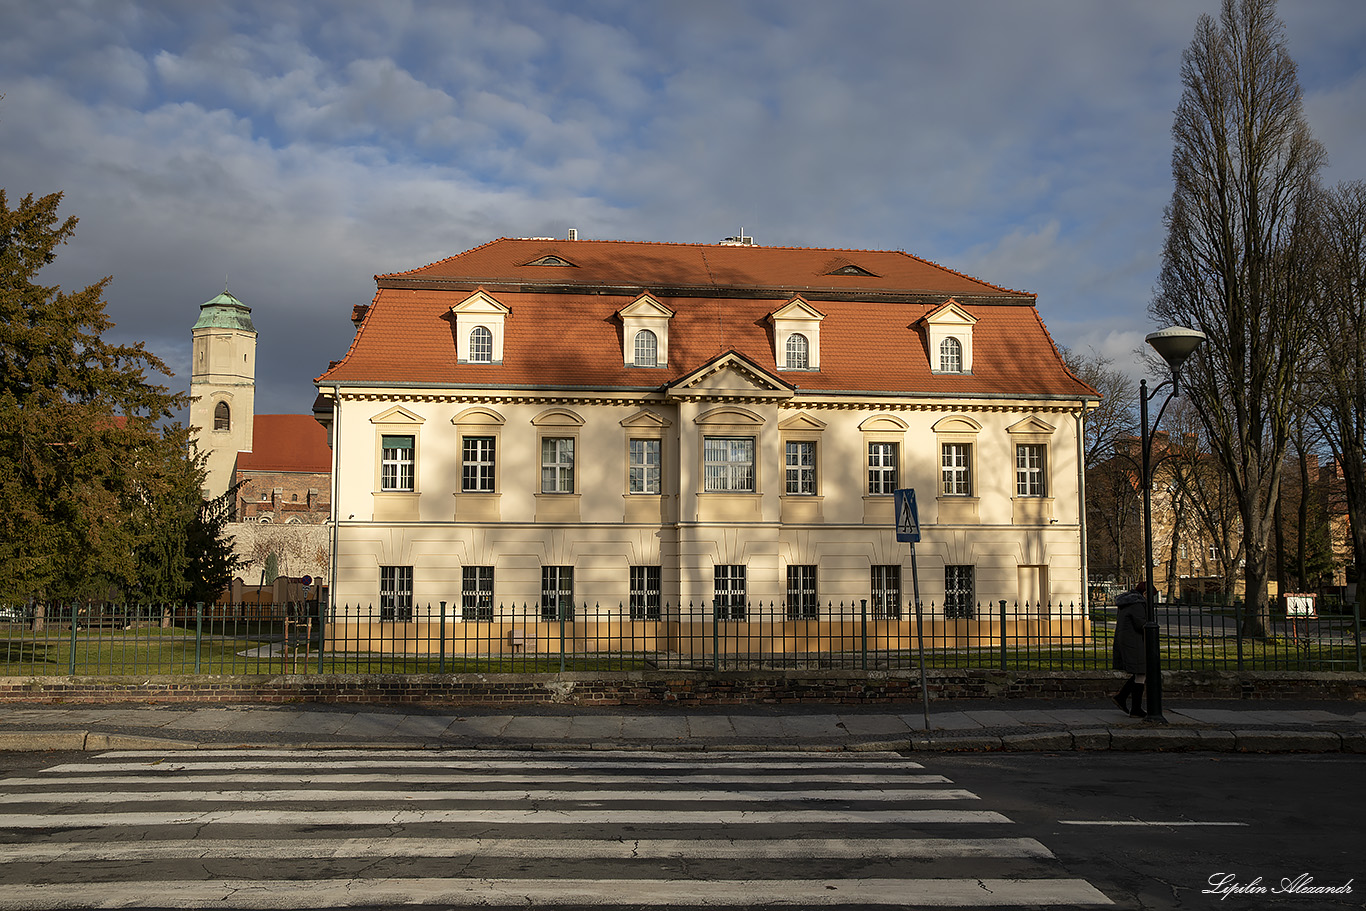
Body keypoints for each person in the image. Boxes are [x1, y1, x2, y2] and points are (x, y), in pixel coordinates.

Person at [1111, 582, 1148, 718]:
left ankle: (1125, 699)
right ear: (1145, 593)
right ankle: (1132, 705)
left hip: (1127, 640)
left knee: (1140, 673)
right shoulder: (1137, 604)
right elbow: (1141, 624)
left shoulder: (1127, 602)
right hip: (1134, 642)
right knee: (1141, 672)